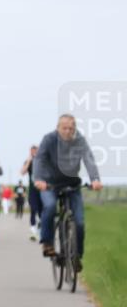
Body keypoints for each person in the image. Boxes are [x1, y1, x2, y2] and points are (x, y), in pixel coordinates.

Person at [33, 115, 102, 271]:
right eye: (64, 127)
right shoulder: (49, 139)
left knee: (79, 222)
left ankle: (77, 256)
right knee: (50, 206)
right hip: (49, 184)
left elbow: (89, 159)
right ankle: (48, 243)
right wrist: (38, 179)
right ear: (58, 127)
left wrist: (95, 179)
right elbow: (39, 159)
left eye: (71, 128)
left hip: (72, 185)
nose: (68, 131)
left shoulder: (80, 141)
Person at [21, 145, 42, 240]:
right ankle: (33, 230)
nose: (34, 152)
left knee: (41, 211)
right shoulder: (28, 162)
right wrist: (29, 160)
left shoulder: (42, 161)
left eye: (35, 151)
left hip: (42, 189)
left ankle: (40, 230)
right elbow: (22, 172)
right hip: (33, 189)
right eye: (32, 151)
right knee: (33, 209)